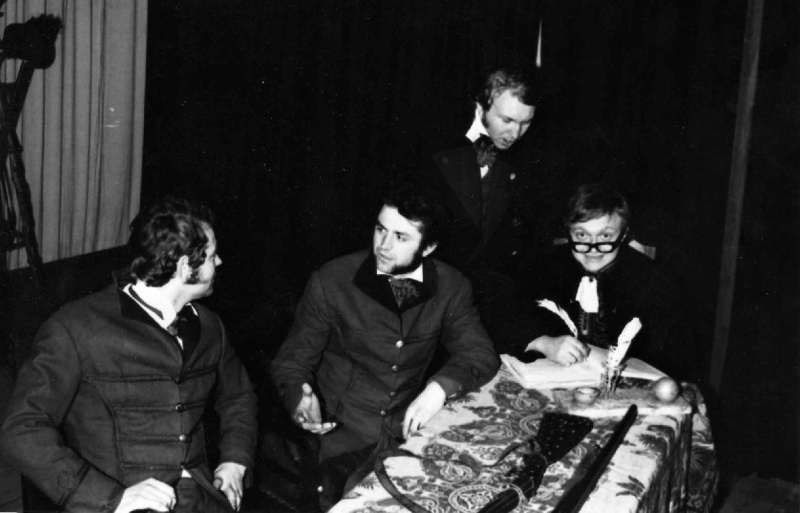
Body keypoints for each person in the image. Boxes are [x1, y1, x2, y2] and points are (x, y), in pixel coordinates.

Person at [0, 197, 258, 513]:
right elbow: (21, 429)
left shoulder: (209, 326)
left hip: (204, 500)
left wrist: (235, 459)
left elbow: (238, 396)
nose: (219, 262)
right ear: (184, 267)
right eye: (212, 256)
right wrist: (109, 498)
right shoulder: (76, 328)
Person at [270, 183, 499, 510]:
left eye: (401, 237)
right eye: (381, 230)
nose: (383, 246)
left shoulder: (451, 286)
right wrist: (298, 398)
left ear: (429, 247)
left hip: (405, 431)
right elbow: (291, 363)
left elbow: (479, 354)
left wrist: (438, 389)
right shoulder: (332, 280)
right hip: (338, 438)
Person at [420, 65, 566, 351]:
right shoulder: (433, 139)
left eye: (526, 122)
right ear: (481, 107)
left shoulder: (532, 158)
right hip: (428, 296)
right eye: (507, 120)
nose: (516, 133)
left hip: (484, 304)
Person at [501, 183, 699, 381]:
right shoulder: (545, 266)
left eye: (605, 236)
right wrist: (543, 342)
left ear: (623, 234)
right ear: (568, 233)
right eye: (581, 235)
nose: (593, 248)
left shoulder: (654, 282)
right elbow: (503, 311)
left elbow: (674, 358)